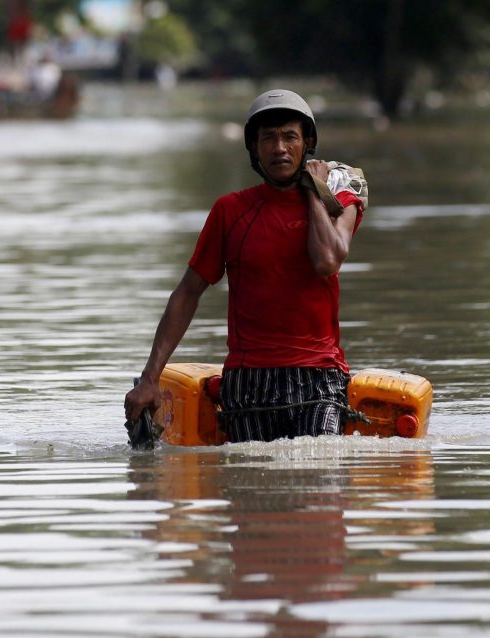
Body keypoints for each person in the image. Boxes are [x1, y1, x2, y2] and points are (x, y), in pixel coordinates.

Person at [124, 89, 366, 444]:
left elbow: (327, 260)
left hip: (319, 376)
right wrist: (149, 378)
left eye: (289, 137)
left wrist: (314, 192)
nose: (279, 148)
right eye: (267, 138)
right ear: (254, 148)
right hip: (248, 382)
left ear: (307, 143)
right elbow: (188, 293)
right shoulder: (231, 211)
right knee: (252, 493)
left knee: (320, 482)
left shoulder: (341, 201)